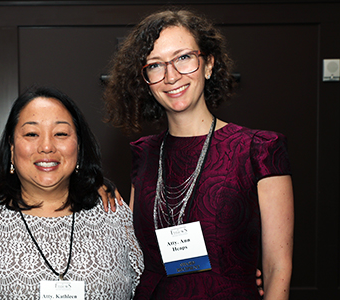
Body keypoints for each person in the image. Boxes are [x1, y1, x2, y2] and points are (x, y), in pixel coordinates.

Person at [103, 9, 293, 300]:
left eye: (183, 58)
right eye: (155, 65)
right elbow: (133, 254)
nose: (171, 76)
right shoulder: (143, 154)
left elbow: (278, 267)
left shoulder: (258, 149)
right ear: (146, 82)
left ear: (208, 64)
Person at [0, 86, 143, 299]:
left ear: (78, 146)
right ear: (12, 148)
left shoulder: (113, 213)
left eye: (60, 133)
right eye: (31, 134)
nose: (47, 146)